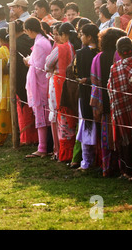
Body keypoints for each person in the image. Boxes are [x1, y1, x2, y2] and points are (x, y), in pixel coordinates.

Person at [90, 27, 126, 177]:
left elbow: (94, 82)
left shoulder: (98, 58)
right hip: (120, 102)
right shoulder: (121, 56)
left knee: (105, 135)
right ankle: (121, 167)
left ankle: (107, 167)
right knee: (121, 134)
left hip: (103, 103)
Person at [107, 37, 132, 179]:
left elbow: (111, 88)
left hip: (123, 110)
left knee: (127, 139)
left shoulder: (116, 67)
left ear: (118, 53)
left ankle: (128, 171)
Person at [45, 22, 76, 162]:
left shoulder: (62, 47)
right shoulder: (74, 46)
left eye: (59, 34)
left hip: (58, 84)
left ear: (64, 35)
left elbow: (47, 64)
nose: (56, 37)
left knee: (59, 115)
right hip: (72, 84)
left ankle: (62, 152)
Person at [24, 17, 53, 157]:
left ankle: (42, 148)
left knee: (42, 116)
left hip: (41, 84)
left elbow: (39, 66)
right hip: (43, 83)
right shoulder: (43, 40)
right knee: (45, 116)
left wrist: (28, 60)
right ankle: (47, 147)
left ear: (29, 30)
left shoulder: (40, 43)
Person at [73, 23, 99, 171]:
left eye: (82, 34)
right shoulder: (103, 51)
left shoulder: (82, 54)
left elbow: (75, 72)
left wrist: (85, 80)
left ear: (89, 37)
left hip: (86, 92)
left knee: (87, 124)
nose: (80, 37)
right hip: (102, 94)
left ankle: (87, 161)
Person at [15, 20, 38, 146]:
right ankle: (36, 137)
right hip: (34, 78)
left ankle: (27, 137)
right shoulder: (31, 40)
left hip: (21, 79)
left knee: (25, 107)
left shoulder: (16, 44)